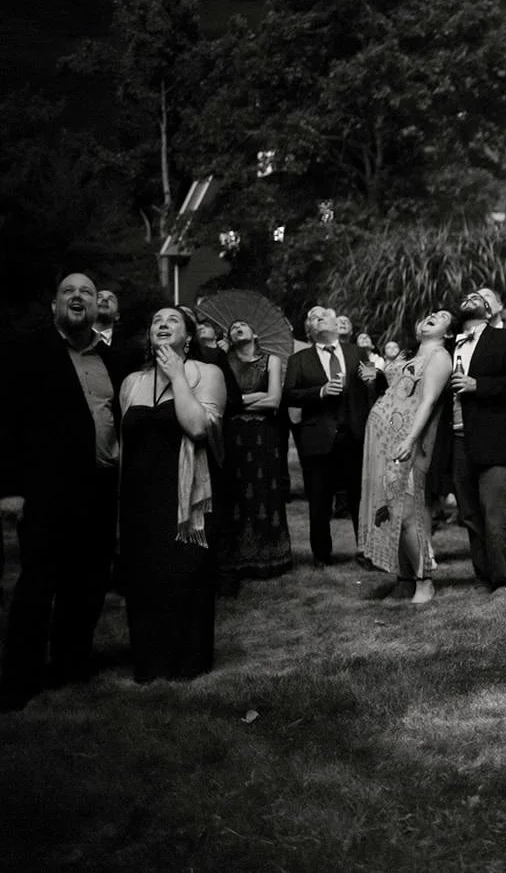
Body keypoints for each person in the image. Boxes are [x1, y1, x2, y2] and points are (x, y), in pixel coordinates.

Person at [0, 273, 129, 711]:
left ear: (98, 308)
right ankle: (20, 679)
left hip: (99, 488)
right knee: (39, 583)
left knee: (89, 583)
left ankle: (71, 667)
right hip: (46, 492)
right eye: (69, 291)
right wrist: (10, 489)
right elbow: (7, 423)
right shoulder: (29, 351)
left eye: (87, 293)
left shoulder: (109, 358)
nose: (78, 297)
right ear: (55, 304)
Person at [116, 306, 226, 683]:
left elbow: (197, 427)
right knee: (145, 577)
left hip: (184, 497)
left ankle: (187, 663)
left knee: (183, 574)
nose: (162, 324)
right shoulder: (131, 381)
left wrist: (177, 373)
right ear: (149, 334)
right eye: (156, 321)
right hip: (138, 495)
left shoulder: (206, 373)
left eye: (172, 320)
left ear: (189, 337)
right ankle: (150, 662)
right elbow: (124, 441)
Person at [432, 287, 506, 593]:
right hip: (457, 441)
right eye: (467, 297)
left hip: (495, 439)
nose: (472, 298)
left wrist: (479, 384)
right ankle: (484, 575)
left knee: (495, 514)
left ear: (489, 312)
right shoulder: (446, 347)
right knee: (470, 515)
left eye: (480, 298)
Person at [358, 311, 454, 604]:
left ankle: (425, 581)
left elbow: (428, 401)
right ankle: (404, 579)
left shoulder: (439, 356)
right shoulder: (408, 357)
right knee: (391, 510)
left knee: (409, 512)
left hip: (409, 442)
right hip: (384, 441)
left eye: (441, 316)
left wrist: (411, 439)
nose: (432, 316)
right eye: (429, 314)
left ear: (448, 333)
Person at [285, 306, 385, 565]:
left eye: (323, 316)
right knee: (319, 500)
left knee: (359, 499)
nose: (318, 319)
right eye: (313, 319)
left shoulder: (356, 352)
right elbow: (289, 394)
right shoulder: (299, 360)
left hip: (353, 436)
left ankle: (367, 550)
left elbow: (370, 385)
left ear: (335, 324)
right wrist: (320, 391)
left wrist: (372, 377)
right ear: (309, 331)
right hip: (318, 439)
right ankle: (321, 554)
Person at [216, 320, 292, 586]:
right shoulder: (222, 361)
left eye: (243, 326)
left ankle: (269, 555)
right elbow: (220, 399)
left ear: (255, 333)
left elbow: (274, 400)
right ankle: (234, 558)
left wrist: (237, 401)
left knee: (262, 490)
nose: (237, 328)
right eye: (233, 327)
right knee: (233, 491)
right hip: (231, 434)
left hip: (263, 436)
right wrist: (252, 398)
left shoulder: (271, 361)